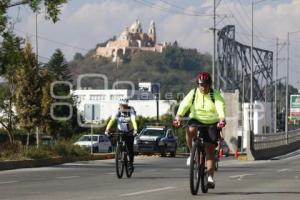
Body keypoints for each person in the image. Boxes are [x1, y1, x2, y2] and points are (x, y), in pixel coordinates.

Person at [173, 71, 226, 189]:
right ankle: (192, 152)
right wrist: (178, 117)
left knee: (210, 150)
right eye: (200, 84)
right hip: (196, 119)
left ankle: (210, 178)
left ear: (210, 84)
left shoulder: (214, 94)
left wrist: (221, 119)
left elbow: (220, 106)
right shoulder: (193, 93)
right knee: (190, 129)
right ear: (197, 84)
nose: (203, 87)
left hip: (212, 122)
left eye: (205, 84)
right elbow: (184, 104)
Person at [105, 97, 138, 170]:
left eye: (125, 105)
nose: (123, 107)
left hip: (130, 131)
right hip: (120, 130)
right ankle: (119, 152)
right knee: (115, 137)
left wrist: (135, 130)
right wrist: (107, 129)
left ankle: (130, 164)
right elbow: (112, 120)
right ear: (119, 105)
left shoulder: (131, 110)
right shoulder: (117, 110)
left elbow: (133, 120)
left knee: (130, 148)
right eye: (122, 105)